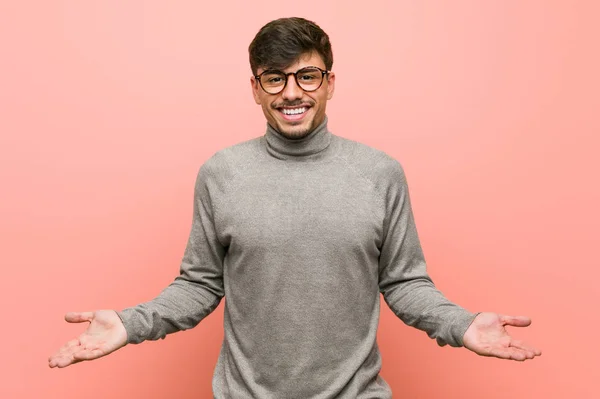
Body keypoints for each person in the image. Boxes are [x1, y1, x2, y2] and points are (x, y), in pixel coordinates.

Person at [48, 17, 541, 398]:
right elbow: (200, 282)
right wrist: (131, 323)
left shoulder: (379, 172)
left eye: (307, 76)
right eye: (274, 79)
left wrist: (461, 325)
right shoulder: (222, 173)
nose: (291, 93)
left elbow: (403, 281)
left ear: (328, 82)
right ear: (255, 88)